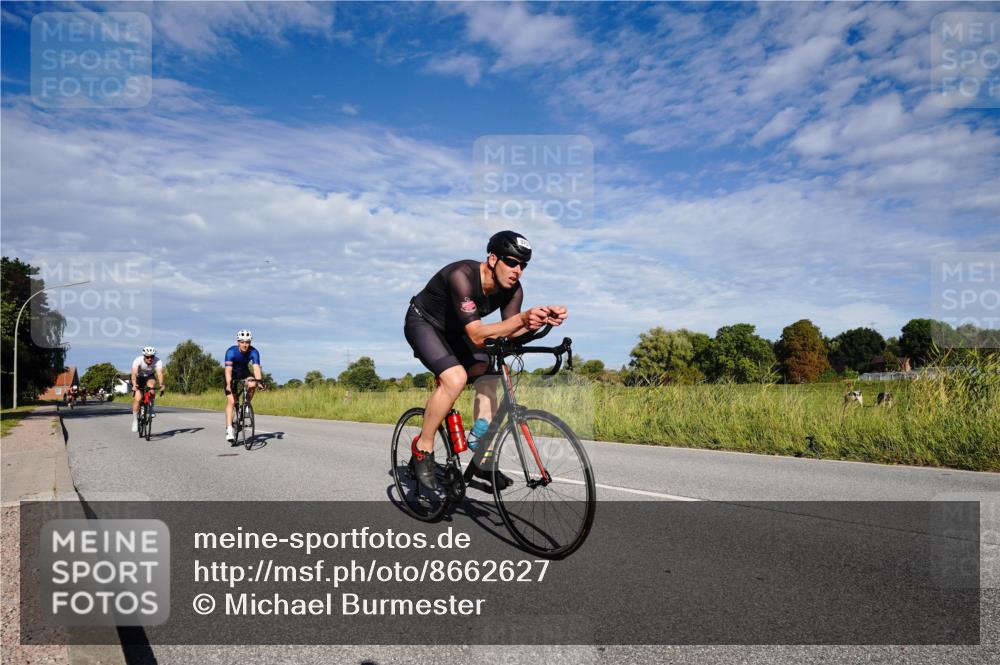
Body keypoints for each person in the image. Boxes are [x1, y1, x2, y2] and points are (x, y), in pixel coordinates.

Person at [404, 230, 567, 490]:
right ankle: (423, 448)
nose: (518, 270)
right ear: (493, 259)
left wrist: (538, 322)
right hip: (425, 323)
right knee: (454, 379)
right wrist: (523, 319)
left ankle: (482, 455)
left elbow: (509, 332)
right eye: (511, 262)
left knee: (491, 370)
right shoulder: (462, 276)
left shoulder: (513, 289)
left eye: (523, 265)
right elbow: (478, 333)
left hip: (459, 331)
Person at [224, 329, 266, 443]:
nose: (245, 344)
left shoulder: (254, 352)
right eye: (242, 342)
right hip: (232, 375)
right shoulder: (231, 352)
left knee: (253, 383)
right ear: (238, 342)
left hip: (244, 372)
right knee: (232, 401)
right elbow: (228, 370)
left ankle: (246, 405)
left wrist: (259, 381)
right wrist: (228, 384)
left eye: (247, 342)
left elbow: (256, 368)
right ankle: (229, 429)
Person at [131, 346, 165, 432]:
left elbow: (159, 373)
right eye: (147, 357)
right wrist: (134, 385)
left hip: (149, 377)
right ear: (144, 356)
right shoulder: (137, 360)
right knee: (138, 398)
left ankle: (151, 408)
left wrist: (161, 384)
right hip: (139, 378)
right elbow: (134, 374)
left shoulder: (158, 361)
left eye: (152, 357)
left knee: (152, 388)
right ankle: (135, 421)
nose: (150, 359)